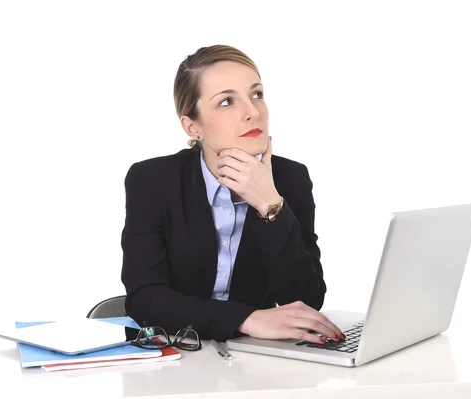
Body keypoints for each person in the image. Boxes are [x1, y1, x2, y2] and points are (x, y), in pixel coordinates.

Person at [121, 45, 344, 343]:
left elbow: (306, 299)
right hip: (177, 352)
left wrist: (270, 205)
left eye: (257, 94)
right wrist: (246, 319)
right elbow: (145, 299)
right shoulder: (152, 180)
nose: (252, 112)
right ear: (192, 125)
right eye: (227, 101)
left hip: (252, 360)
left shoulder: (290, 179)